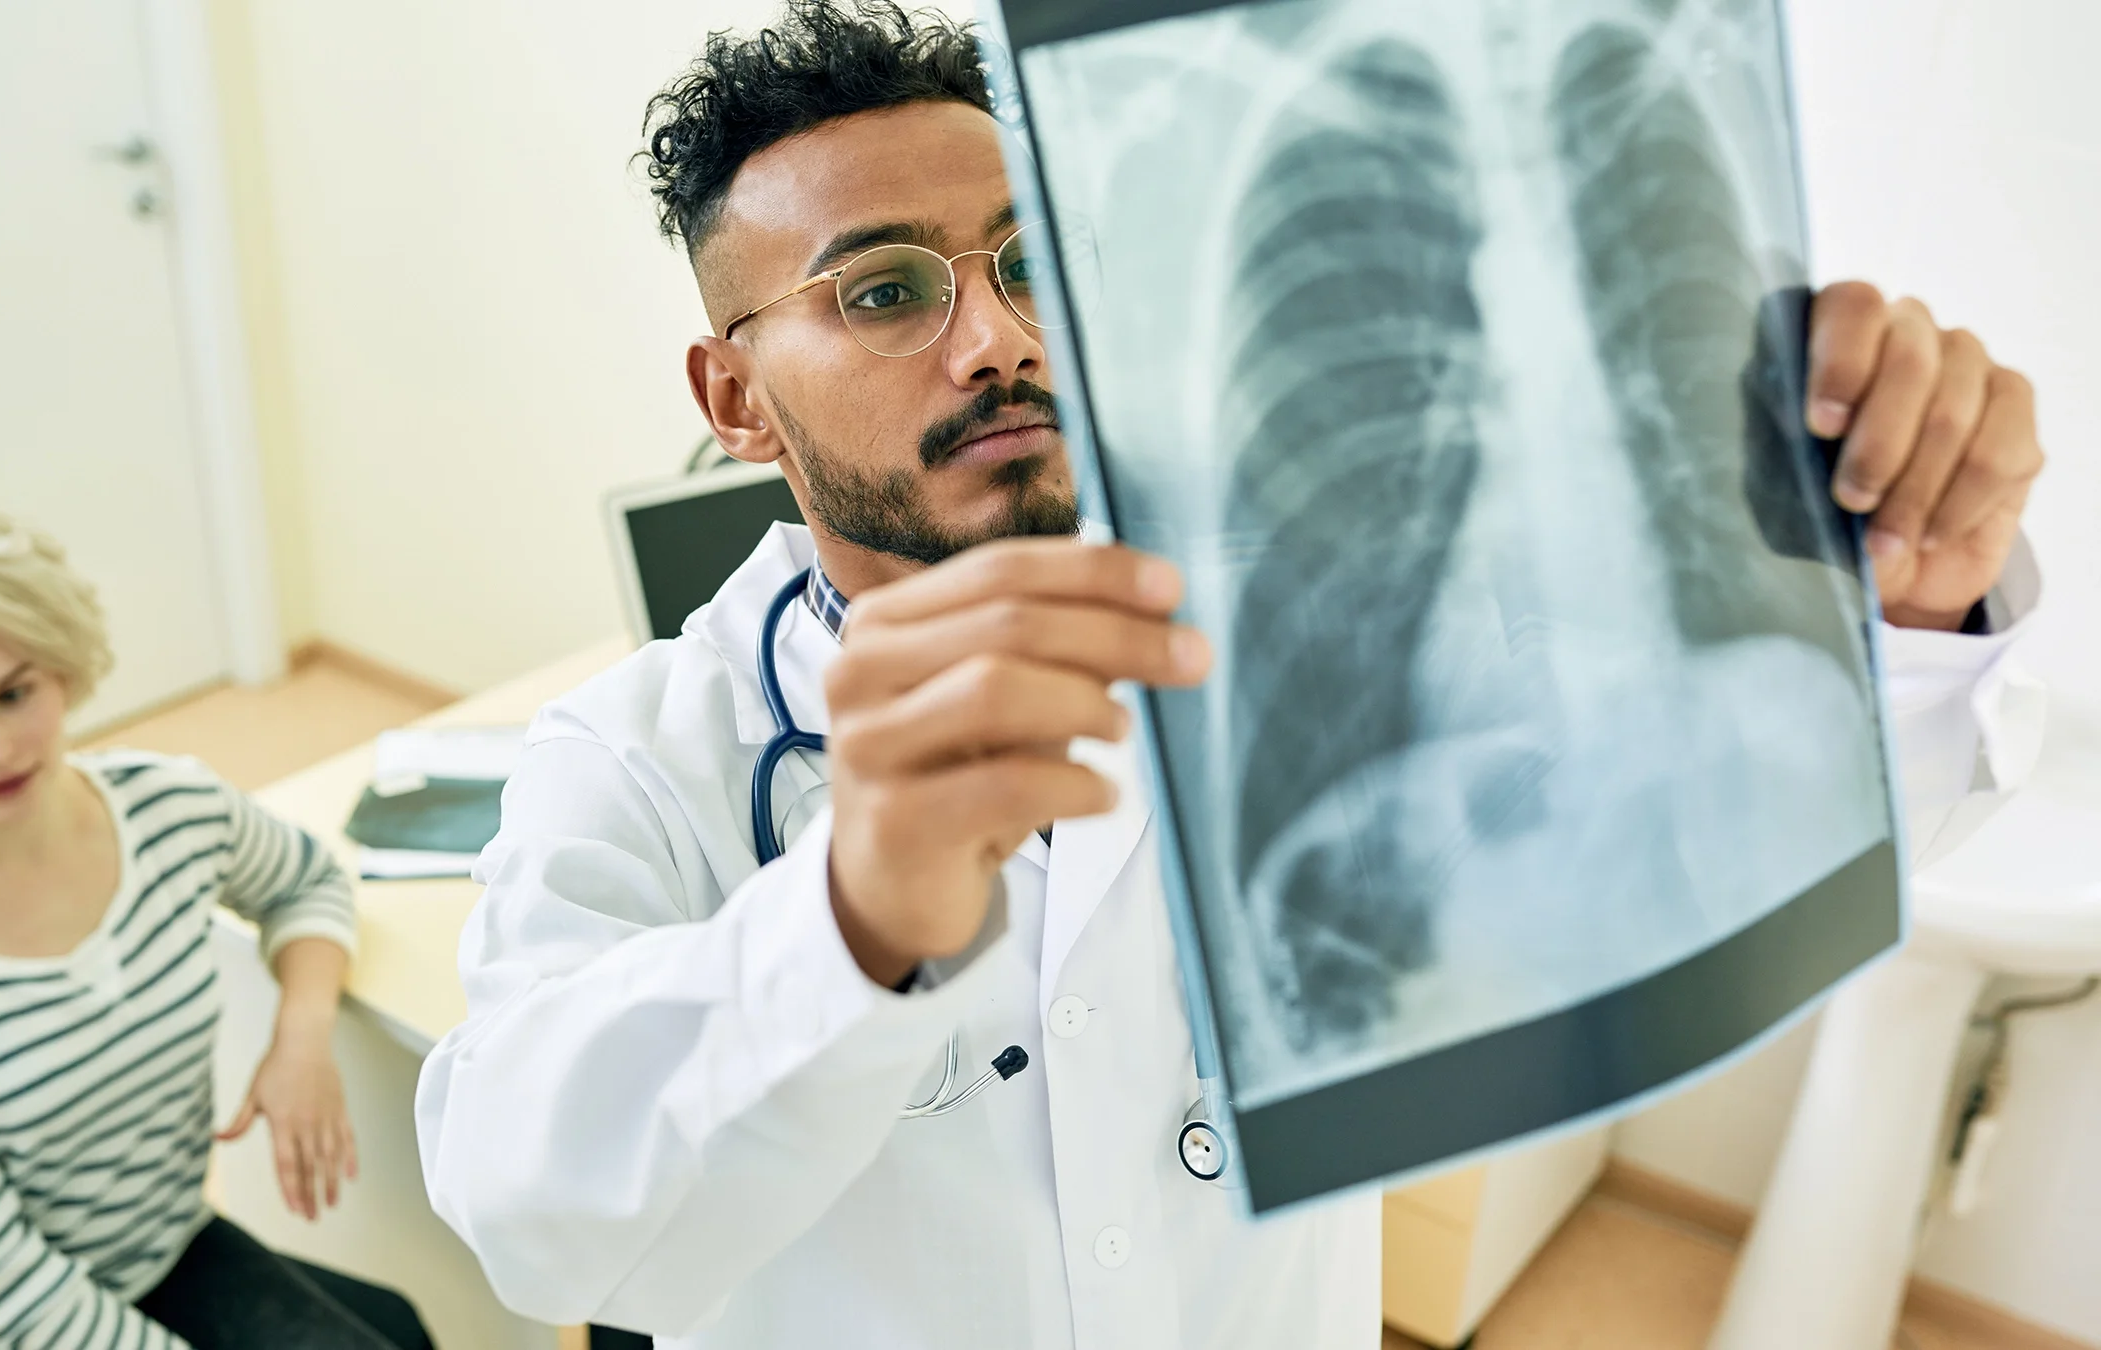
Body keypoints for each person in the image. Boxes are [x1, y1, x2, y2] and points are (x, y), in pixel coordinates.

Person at [414, 4, 2048, 1347]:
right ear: (735, 400)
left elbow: (1711, 825)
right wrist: (844, 922)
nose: (998, 340)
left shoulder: (1309, 617)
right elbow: (527, 1217)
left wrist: (1907, 612)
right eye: (888, 291)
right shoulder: (634, 757)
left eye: (1031, 260)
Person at [0, 505, 436, 1350]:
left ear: (62, 670)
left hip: (153, 1255)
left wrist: (301, 1037)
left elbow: (307, 883)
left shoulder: (169, 807)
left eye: (15, 693)